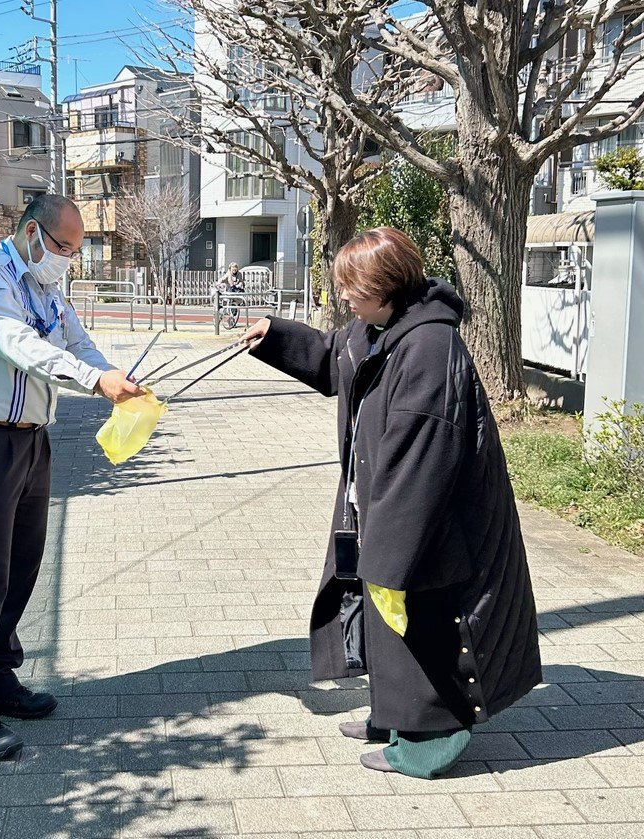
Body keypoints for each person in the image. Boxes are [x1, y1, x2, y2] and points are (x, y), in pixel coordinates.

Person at [242, 227, 542, 779]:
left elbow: (423, 456)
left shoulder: (429, 345)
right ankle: (393, 715)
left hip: (423, 513)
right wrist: (275, 335)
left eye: (353, 290)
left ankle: (429, 738)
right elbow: (338, 357)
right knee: (386, 618)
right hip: (379, 501)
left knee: (422, 618)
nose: (345, 301)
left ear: (386, 286)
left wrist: (391, 540)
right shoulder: (381, 327)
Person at [0, 195, 143, 760]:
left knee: (20, 568)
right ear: (31, 232)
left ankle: (0, 681)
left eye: (75, 252)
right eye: (63, 248)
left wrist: (111, 373)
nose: (67, 261)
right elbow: (19, 346)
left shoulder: (47, 287)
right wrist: (93, 383)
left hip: (30, 440)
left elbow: (75, 341)